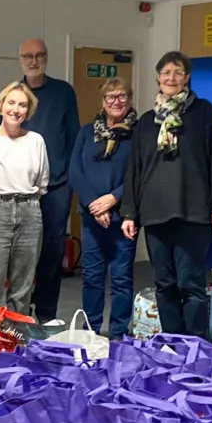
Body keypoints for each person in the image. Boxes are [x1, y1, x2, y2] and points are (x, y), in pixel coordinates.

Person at [120, 51, 212, 339]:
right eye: (166, 72)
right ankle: (171, 341)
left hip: (193, 211)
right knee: (164, 283)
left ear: (187, 78)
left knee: (191, 284)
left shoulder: (203, 113)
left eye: (178, 72)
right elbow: (135, 169)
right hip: (155, 212)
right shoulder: (146, 122)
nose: (171, 78)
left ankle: (194, 343)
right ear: (158, 77)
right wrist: (129, 212)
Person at [7, 38, 80, 322]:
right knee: (22, 254)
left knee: (51, 253)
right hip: (21, 189)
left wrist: (71, 183)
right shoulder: (14, 95)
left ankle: (47, 314)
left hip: (57, 186)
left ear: (46, 58)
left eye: (39, 55)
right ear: (19, 59)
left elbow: (73, 138)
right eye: (27, 56)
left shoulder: (63, 92)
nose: (33, 61)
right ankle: (20, 313)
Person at [0, 82, 49, 314]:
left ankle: (17, 340)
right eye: (11, 102)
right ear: (1, 105)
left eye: (22, 105)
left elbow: (42, 183)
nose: (16, 109)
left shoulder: (36, 141)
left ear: (29, 110)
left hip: (30, 212)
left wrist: (25, 205)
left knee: (22, 287)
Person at [68, 77, 138, 340]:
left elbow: (138, 174)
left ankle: (119, 332)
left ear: (130, 99)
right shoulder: (87, 132)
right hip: (91, 217)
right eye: (111, 97)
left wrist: (113, 199)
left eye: (122, 96)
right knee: (92, 278)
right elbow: (75, 171)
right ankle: (91, 331)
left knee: (121, 279)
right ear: (102, 102)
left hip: (124, 218)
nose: (116, 101)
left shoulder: (138, 133)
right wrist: (95, 206)